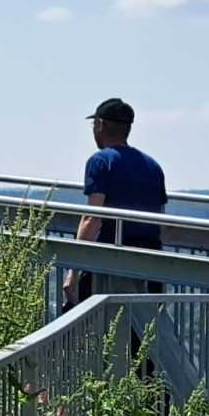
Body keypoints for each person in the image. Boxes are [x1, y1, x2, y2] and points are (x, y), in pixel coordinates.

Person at [61, 98, 167, 305]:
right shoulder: (153, 166)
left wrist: (73, 271)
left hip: (108, 264)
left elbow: (92, 218)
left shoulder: (101, 161)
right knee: (144, 326)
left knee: (86, 321)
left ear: (100, 125)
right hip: (149, 264)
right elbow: (160, 220)